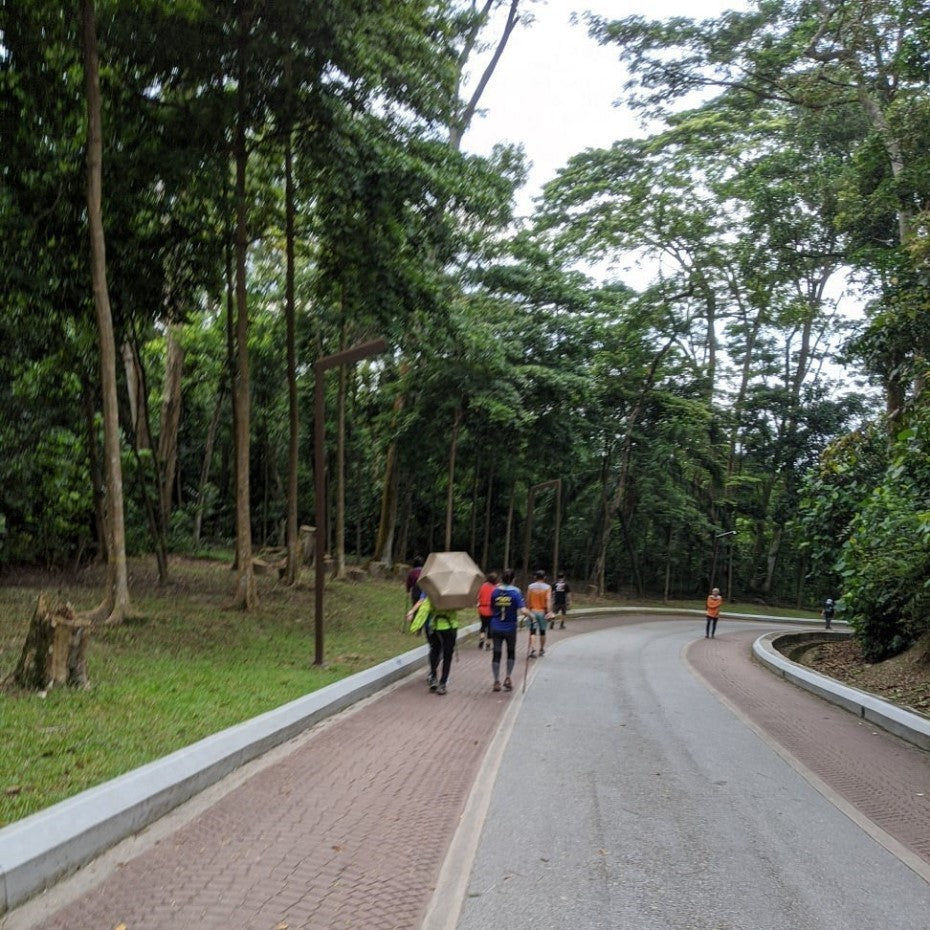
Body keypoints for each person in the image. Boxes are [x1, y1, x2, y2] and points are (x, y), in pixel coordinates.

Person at [489, 569, 532, 692]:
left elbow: (492, 607)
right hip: (510, 628)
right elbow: (523, 610)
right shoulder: (516, 592)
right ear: (513, 579)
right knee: (511, 652)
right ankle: (508, 677)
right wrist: (532, 617)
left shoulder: (495, 591)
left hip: (496, 626)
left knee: (496, 653)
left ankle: (496, 681)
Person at [407, 595, 458, 695]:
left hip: (435, 627)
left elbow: (424, 610)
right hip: (450, 627)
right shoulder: (453, 593)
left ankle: (433, 677)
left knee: (434, 651)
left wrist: (415, 626)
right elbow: (461, 605)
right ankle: (443, 683)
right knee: (447, 656)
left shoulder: (432, 593)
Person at [525, 569, 553, 657]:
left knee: (532, 631)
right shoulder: (548, 587)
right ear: (544, 577)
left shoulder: (530, 587)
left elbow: (527, 600)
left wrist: (528, 611)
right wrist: (549, 612)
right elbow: (548, 600)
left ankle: (533, 650)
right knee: (542, 631)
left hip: (532, 611)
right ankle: (541, 649)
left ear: (535, 577)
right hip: (542, 612)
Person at [476, 571, 497, 650]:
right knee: (490, 627)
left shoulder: (483, 586)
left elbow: (478, 597)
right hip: (491, 610)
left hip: (482, 609)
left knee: (483, 625)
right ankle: (488, 644)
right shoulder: (495, 588)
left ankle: (481, 638)